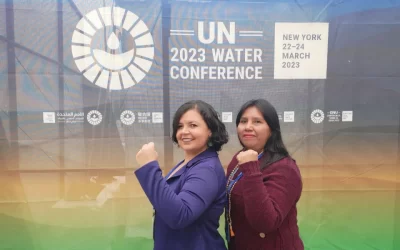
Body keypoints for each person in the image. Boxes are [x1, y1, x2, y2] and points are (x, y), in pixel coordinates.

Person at [135, 100, 229, 250]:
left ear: (210, 130)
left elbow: (179, 215)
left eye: (193, 125)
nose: (184, 131)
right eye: (180, 126)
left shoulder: (206, 169)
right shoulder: (187, 163)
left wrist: (149, 167)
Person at [225, 99, 304, 250]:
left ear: (272, 129)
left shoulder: (285, 168)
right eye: (243, 121)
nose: (248, 127)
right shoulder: (239, 158)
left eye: (257, 122)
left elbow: (266, 223)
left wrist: (251, 169)